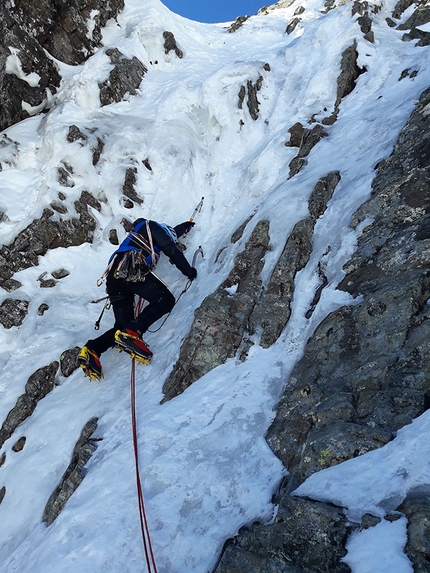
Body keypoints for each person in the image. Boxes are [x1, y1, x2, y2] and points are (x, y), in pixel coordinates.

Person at [78, 218, 197, 380]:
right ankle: (134, 332)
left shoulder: (137, 236)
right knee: (165, 299)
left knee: (122, 326)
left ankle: (92, 350)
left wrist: (185, 226)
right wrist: (189, 272)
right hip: (131, 268)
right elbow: (170, 248)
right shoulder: (151, 226)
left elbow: (172, 233)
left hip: (114, 276)